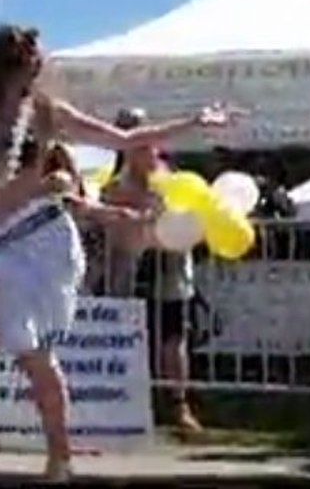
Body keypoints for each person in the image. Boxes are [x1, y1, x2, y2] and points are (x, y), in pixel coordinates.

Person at [0, 25, 239, 481]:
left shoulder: (46, 114)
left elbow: (123, 140)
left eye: (36, 56)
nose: (37, 63)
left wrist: (194, 122)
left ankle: (59, 455)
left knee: (31, 352)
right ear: (3, 63)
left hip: (38, 243)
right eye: (28, 56)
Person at [98, 108, 203, 436]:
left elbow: (187, 220)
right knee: (129, 339)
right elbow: (110, 227)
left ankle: (179, 405)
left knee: (173, 340)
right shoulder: (115, 185)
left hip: (170, 273)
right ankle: (126, 403)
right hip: (130, 272)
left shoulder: (172, 182)